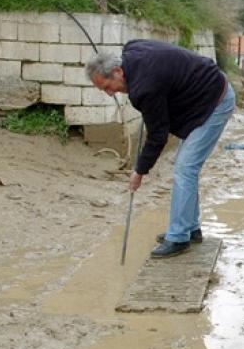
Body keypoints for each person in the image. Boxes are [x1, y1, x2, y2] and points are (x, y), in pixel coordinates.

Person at [85, 40, 234, 258]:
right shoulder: (131, 50)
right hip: (199, 98)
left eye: (108, 87)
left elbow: (158, 135)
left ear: (117, 71)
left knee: (185, 168)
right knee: (185, 167)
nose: (110, 94)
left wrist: (140, 171)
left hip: (215, 100)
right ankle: (190, 229)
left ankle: (178, 238)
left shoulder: (144, 87)